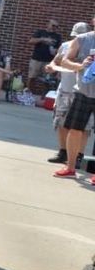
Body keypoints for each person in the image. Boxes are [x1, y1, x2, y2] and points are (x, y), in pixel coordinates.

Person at [54, 28, 95, 181]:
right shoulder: (82, 39)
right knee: (75, 130)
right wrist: (80, 65)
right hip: (83, 92)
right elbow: (64, 61)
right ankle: (70, 167)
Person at [47, 22, 91, 163]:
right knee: (61, 121)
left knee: (84, 126)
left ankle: (78, 156)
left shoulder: (90, 45)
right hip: (65, 89)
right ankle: (63, 152)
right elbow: (55, 62)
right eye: (75, 35)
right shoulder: (66, 45)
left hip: (83, 91)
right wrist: (51, 67)